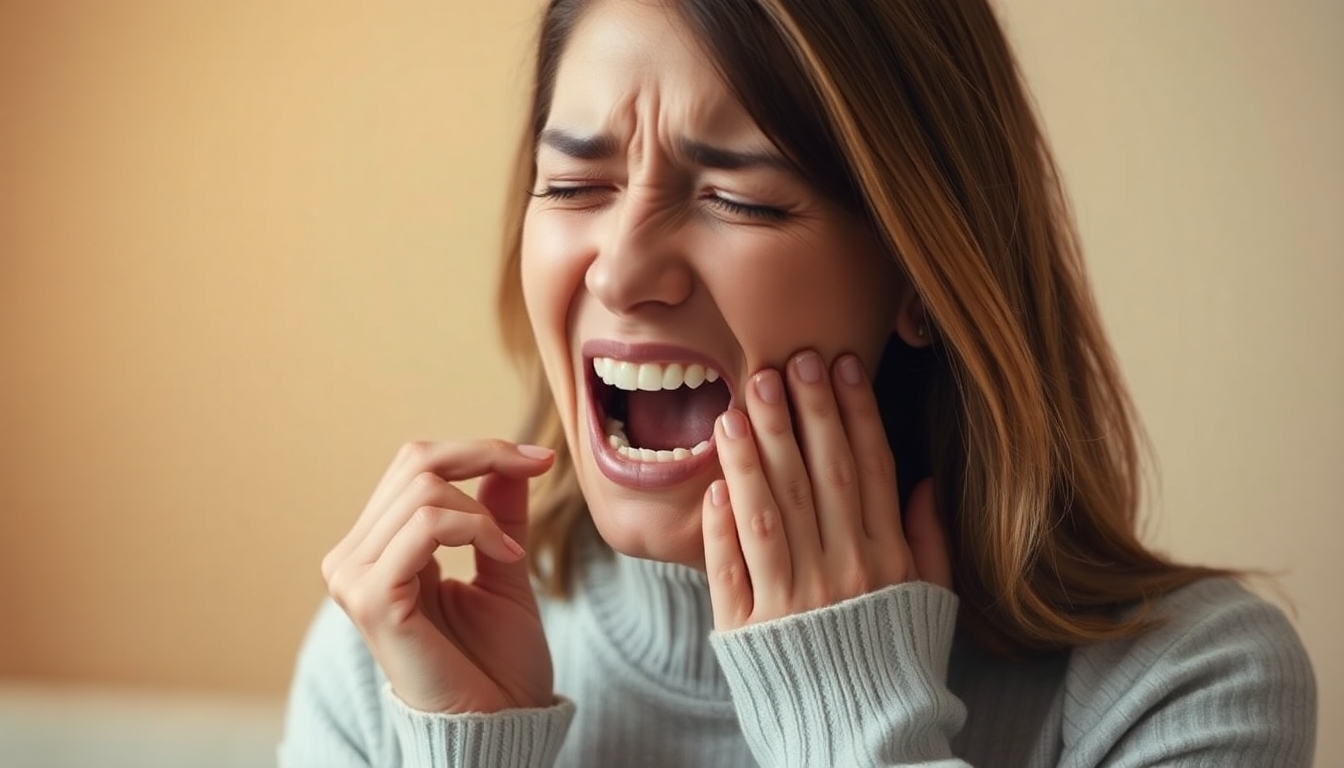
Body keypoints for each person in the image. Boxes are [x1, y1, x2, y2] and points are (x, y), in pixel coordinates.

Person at [278, 0, 1317, 765]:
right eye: (575, 185)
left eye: (741, 197)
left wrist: (852, 720)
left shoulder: (1187, 687)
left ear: (920, 269)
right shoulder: (397, 657)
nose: (623, 270)